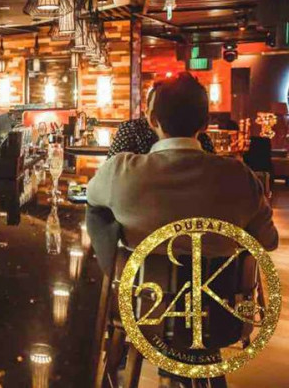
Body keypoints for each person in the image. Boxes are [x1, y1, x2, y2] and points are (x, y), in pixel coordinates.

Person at [87, 72, 278, 273]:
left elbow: (92, 204)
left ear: (152, 120)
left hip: (141, 290)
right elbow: (269, 241)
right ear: (205, 124)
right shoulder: (240, 176)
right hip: (219, 291)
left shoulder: (118, 171)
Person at [107, 81, 215, 157]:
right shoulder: (132, 130)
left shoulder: (201, 138)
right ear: (148, 114)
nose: (164, 113)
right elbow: (112, 170)